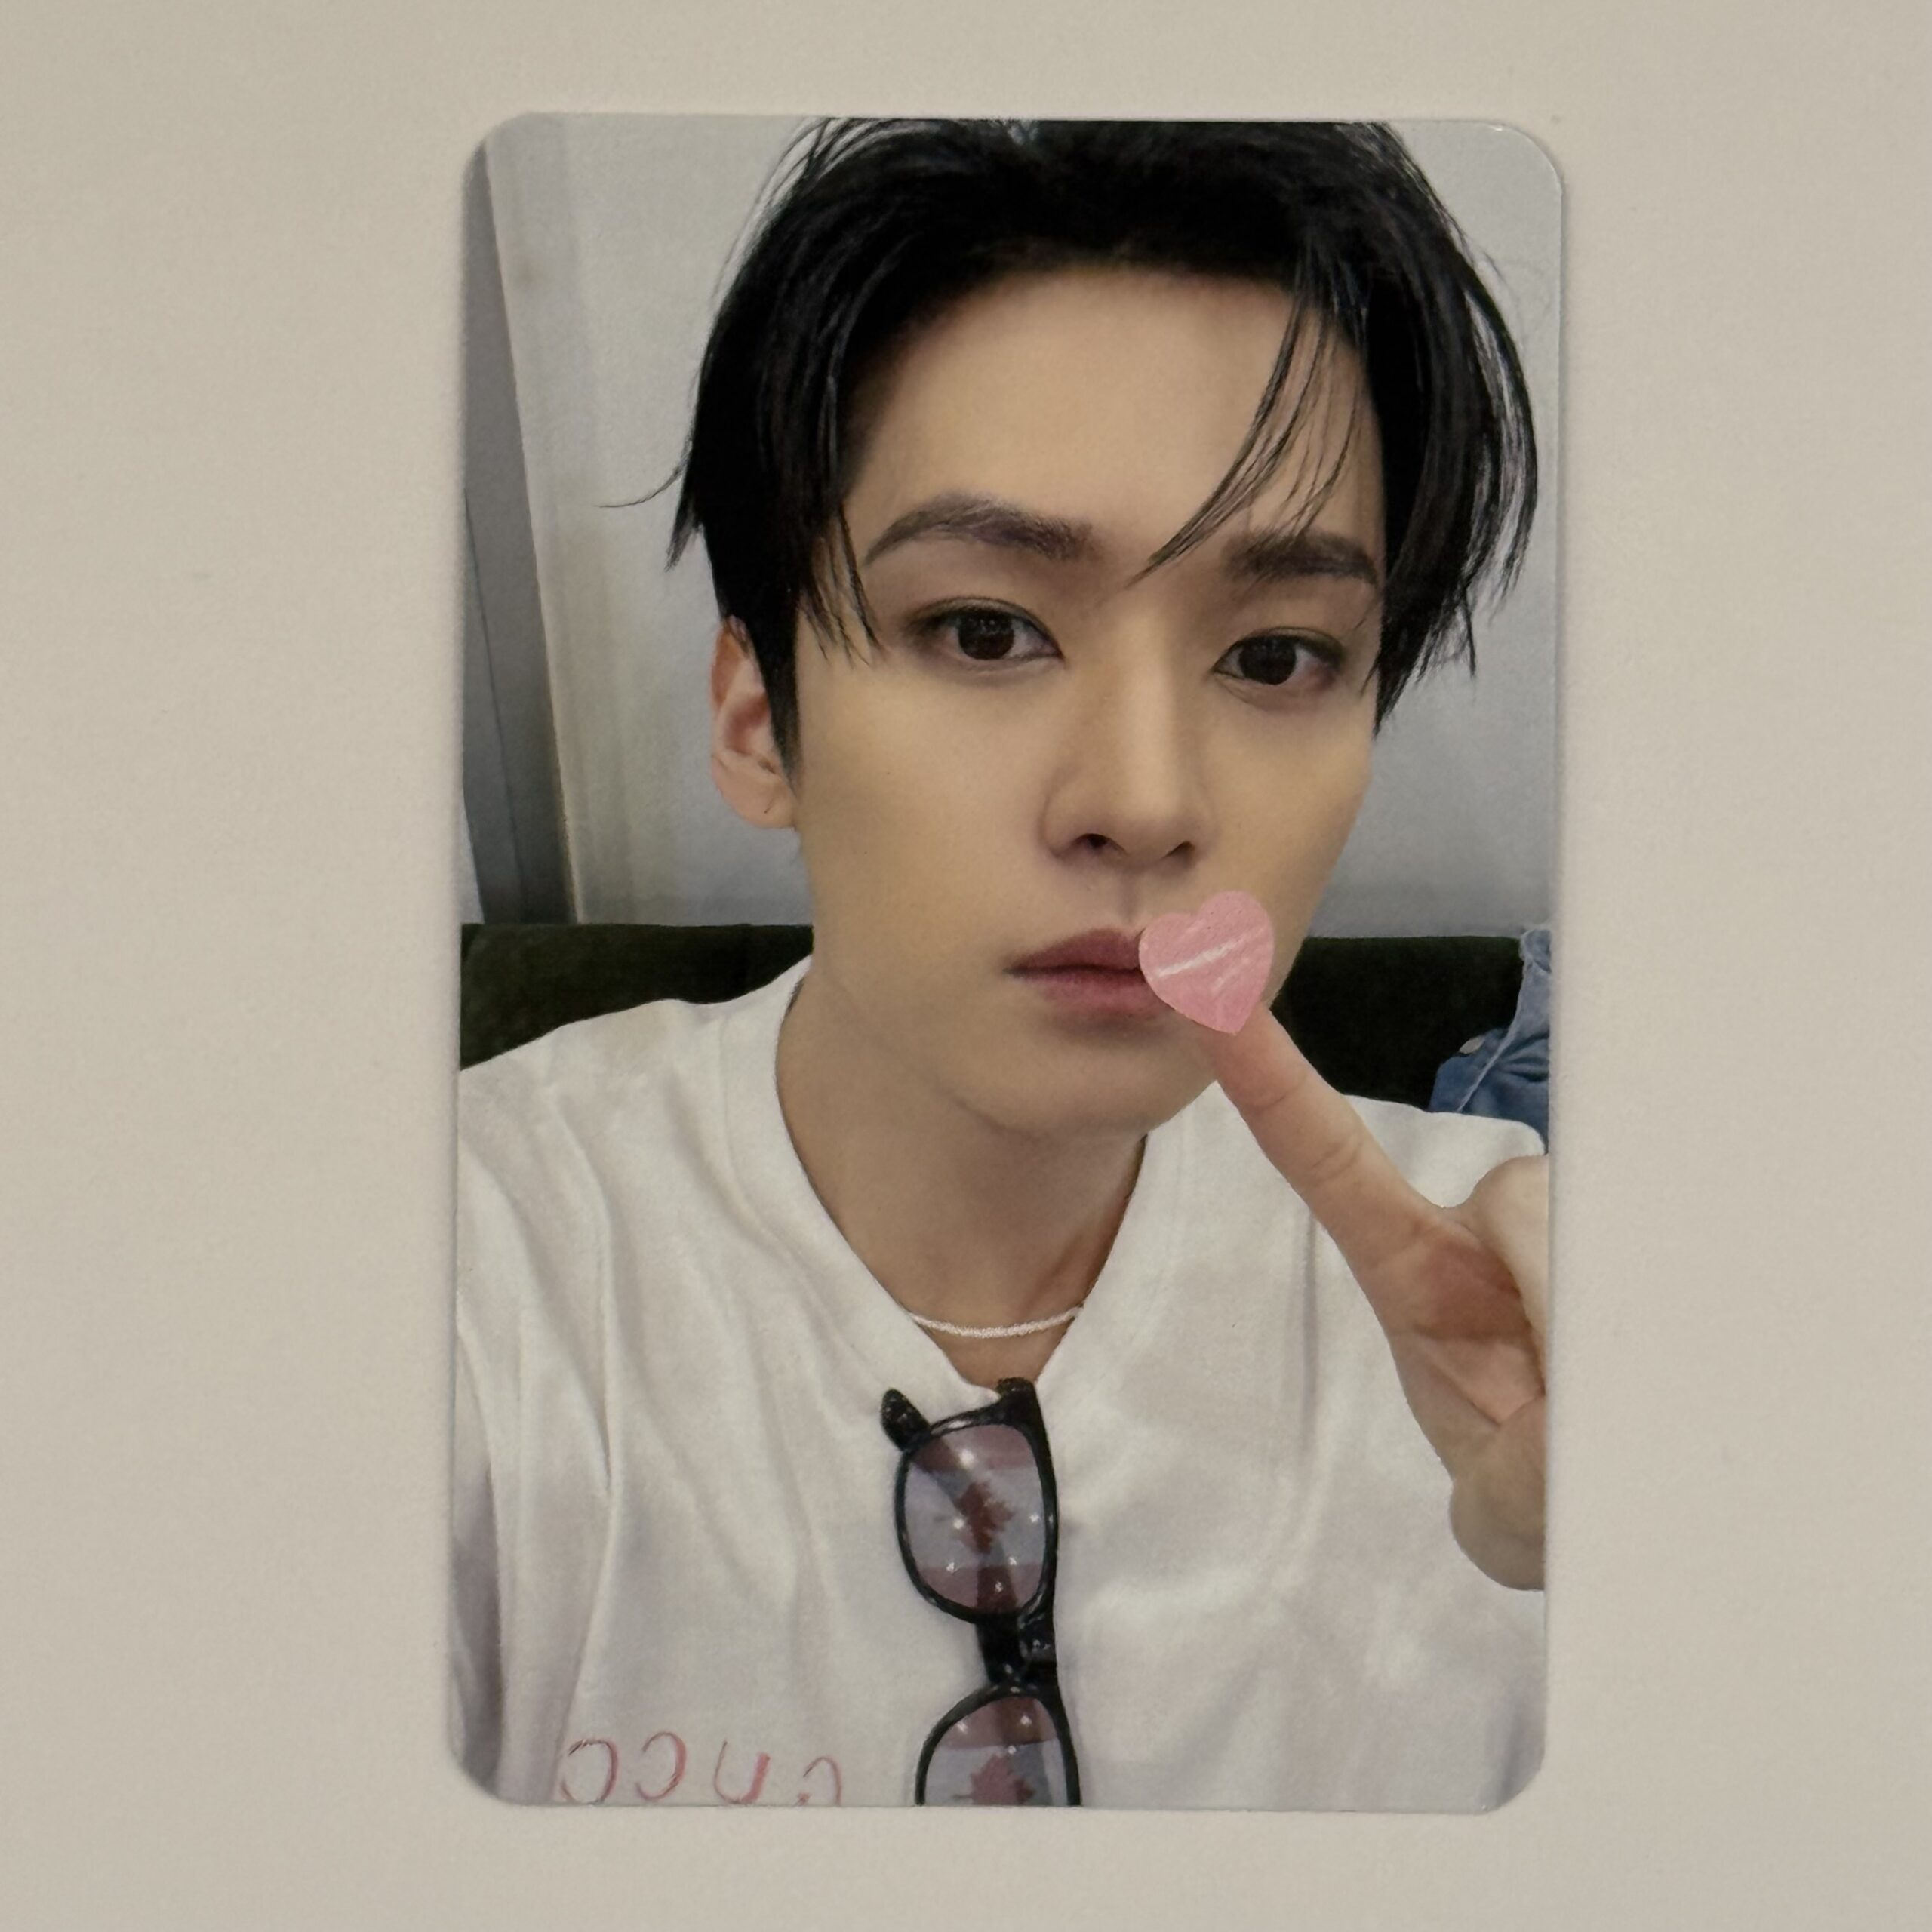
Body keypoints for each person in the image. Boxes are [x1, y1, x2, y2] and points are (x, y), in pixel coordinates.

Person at [453, 117, 1551, 1810]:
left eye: (1275, 655)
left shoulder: (1510, 1320)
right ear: (758, 723)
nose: (1145, 801)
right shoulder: (469, 1265)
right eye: (985, 629)